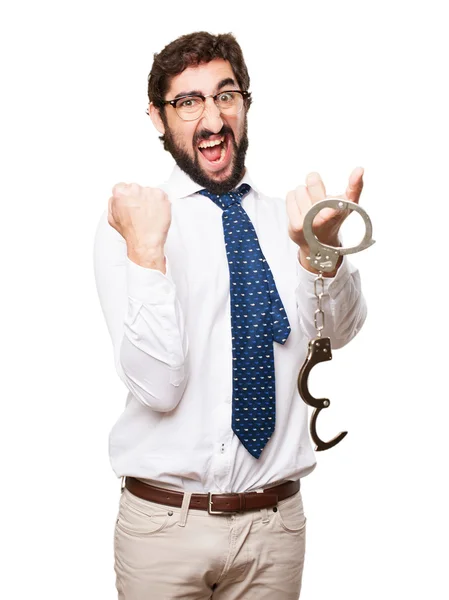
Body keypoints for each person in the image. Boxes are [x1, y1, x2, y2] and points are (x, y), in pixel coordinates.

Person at [93, 30, 367, 600]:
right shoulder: (135, 223)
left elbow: (336, 331)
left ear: (245, 105)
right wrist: (146, 253)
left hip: (274, 530)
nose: (212, 118)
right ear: (157, 118)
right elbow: (159, 388)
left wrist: (320, 254)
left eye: (226, 95)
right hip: (164, 530)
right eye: (187, 101)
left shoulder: (288, 219)